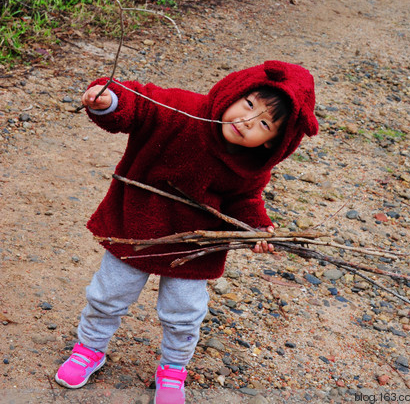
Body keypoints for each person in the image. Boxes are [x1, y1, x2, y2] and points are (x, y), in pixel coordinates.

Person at [54, 60, 318, 403]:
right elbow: (140, 103)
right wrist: (110, 100)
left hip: (194, 245)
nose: (246, 120)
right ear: (236, 92)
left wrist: (256, 228)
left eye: (263, 124)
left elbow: (245, 199)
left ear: (272, 143)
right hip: (136, 227)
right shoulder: (182, 110)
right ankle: (89, 348)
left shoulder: (250, 167)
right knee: (108, 295)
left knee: (184, 313)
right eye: (249, 104)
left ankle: (174, 369)